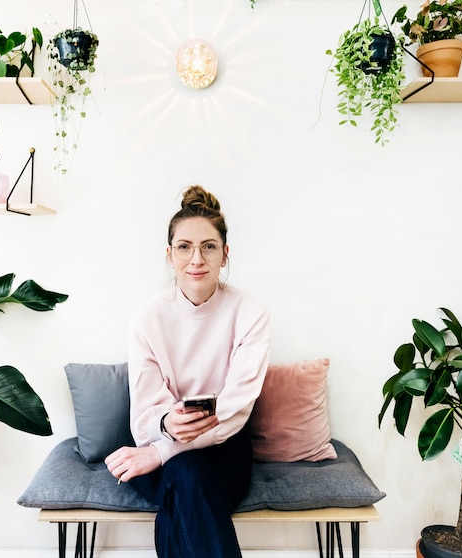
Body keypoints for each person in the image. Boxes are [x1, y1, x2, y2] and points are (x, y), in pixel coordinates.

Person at [104, 185, 271, 558]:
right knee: (188, 479)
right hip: (159, 449)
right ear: (170, 255)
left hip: (225, 450)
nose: (197, 258)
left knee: (186, 483)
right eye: (184, 247)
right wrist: (166, 428)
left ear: (225, 255)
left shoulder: (250, 312)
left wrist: (161, 453)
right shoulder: (147, 318)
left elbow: (234, 409)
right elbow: (145, 417)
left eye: (209, 246)